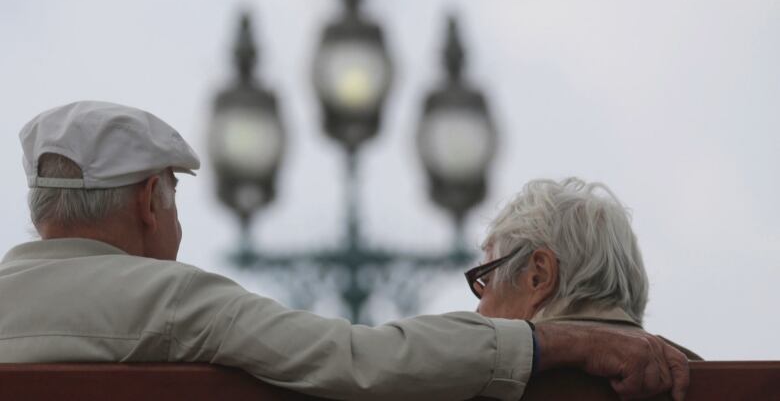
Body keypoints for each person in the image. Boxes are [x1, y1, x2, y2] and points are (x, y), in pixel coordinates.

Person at [0, 101, 689, 401]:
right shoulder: (175, 302)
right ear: (152, 199)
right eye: (174, 198)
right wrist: (563, 344)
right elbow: (359, 362)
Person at [468, 177, 701, 360]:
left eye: (486, 281)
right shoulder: (702, 378)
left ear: (539, 275)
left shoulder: (492, 383)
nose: (478, 311)